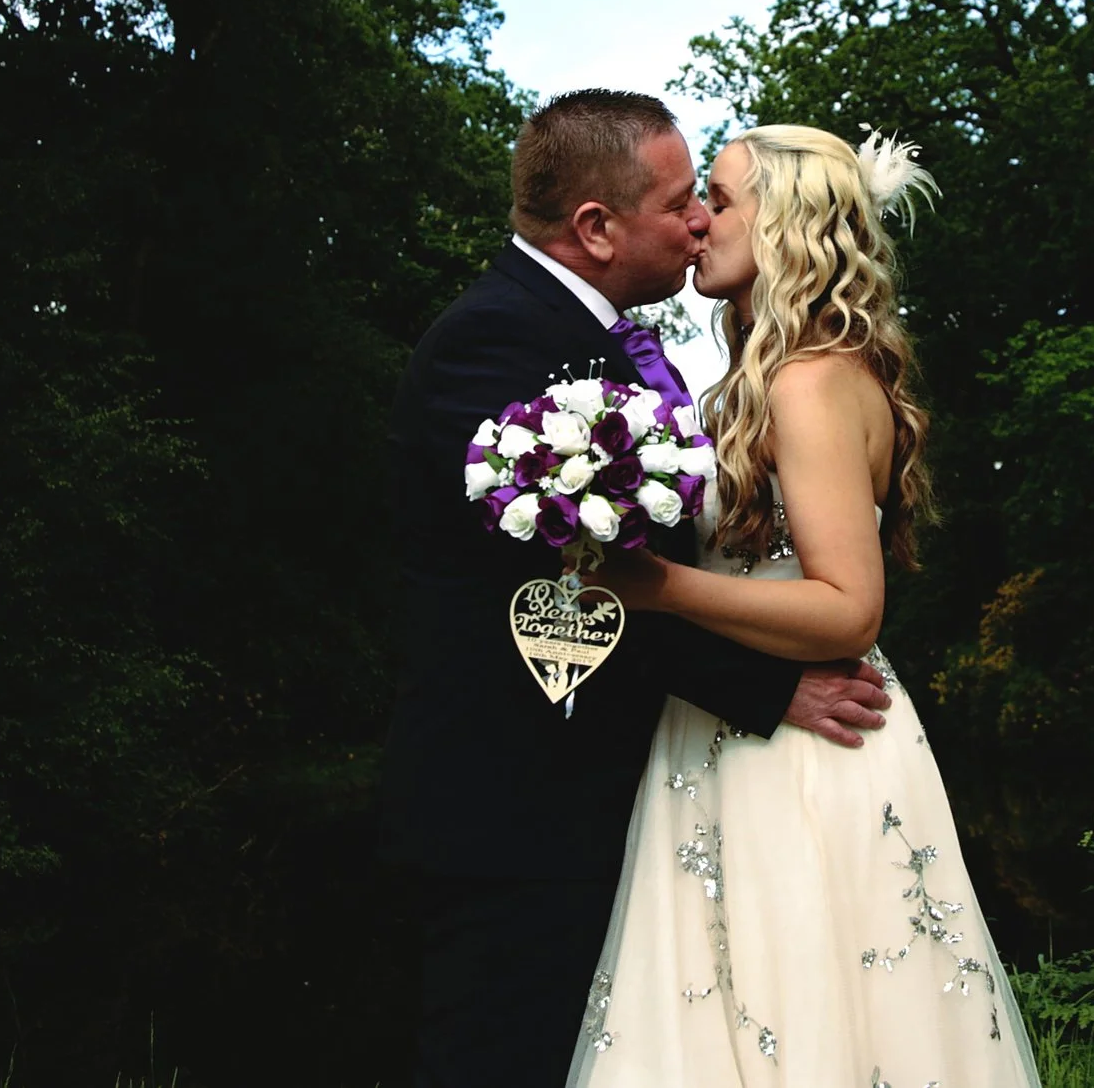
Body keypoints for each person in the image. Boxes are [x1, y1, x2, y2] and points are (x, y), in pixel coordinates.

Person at [381, 91, 895, 1088]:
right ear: (596, 227)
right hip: (515, 797)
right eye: (679, 201)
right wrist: (763, 686)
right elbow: (556, 574)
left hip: (629, 780)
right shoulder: (494, 340)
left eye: (713, 199)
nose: (698, 219)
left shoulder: (644, 347)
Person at [567, 123, 1043, 1088]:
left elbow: (849, 608)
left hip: (798, 755)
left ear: (788, 225)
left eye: (723, 199)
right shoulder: (767, 379)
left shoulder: (811, 380)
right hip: (729, 736)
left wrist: (651, 586)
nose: (699, 222)